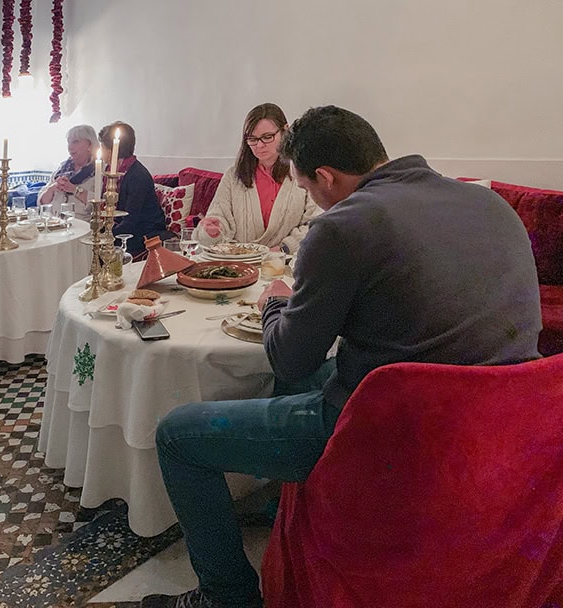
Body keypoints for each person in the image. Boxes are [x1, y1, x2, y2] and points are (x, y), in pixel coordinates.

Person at [141, 106, 542, 608]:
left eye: (308, 189)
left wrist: (277, 304)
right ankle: (282, 504)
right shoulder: (490, 205)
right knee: (316, 372)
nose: (312, 199)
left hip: (397, 429)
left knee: (177, 435)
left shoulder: (345, 225)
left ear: (325, 177)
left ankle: (226, 596)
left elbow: (288, 358)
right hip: (509, 420)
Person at [195, 103, 317, 253]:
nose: (259, 145)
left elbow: (315, 224)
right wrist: (213, 231)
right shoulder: (233, 176)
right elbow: (218, 218)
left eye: (267, 137)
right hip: (239, 263)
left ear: (285, 131)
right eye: (252, 139)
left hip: (286, 262)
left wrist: (284, 248)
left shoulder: (303, 172)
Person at [97, 121, 170, 256]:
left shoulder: (137, 175)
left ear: (112, 150)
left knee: (94, 247)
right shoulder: (109, 171)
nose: (100, 151)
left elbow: (131, 220)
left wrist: (103, 236)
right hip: (122, 227)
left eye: (102, 147)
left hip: (144, 232)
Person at [37, 124, 99, 220]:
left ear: (89, 145)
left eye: (75, 142)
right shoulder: (62, 168)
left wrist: (74, 189)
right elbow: (42, 202)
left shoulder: (99, 171)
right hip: (52, 222)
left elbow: (99, 204)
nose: (70, 147)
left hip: (80, 226)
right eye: (68, 142)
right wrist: (53, 188)